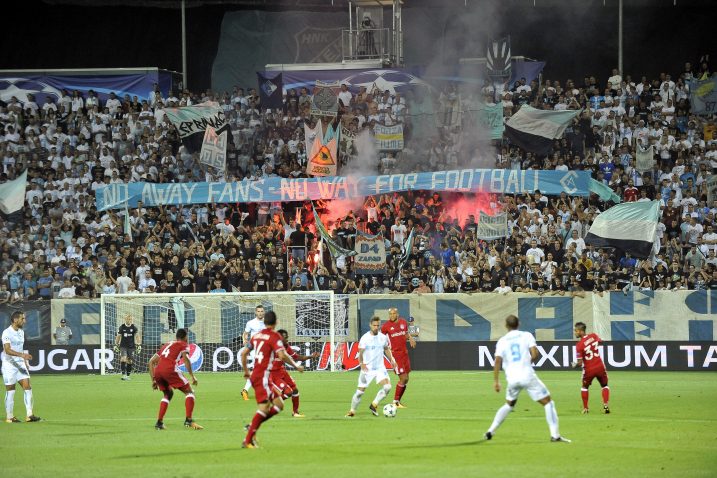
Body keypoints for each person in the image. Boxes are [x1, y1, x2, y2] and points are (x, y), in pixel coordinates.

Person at [484, 314, 570, 443]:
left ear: (506, 326)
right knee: (548, 402)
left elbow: (497, 361)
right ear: (519, 324)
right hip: (527, 375)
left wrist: (496, 381)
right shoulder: (526, 335)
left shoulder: (502, 341)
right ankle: (555, 435)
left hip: (512, 378)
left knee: (509, 405)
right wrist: (527, 362)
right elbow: (535, 353)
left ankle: (491, 430)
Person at [240, 311, 304, 448]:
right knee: (264, 408)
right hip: (263, 376)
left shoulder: (256, 336)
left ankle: (252, 428)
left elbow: (244, 353)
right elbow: (282, 355)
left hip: (260, 375)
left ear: (265, 322)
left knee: (279, 405)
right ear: (275, 323)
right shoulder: (274, 336)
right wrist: (296, 365)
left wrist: (246, 371)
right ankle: (248, 439)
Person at [148, 328, 203, 430]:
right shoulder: (183, 344)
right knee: (190, 392)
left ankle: (159, 423)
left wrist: (154, 380)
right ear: (185, 337)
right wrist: (192, 376)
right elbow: (186, 359)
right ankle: (189, 420)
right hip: (170, 369)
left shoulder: (166, 344)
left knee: (168, 394)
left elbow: (151, 362)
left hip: (158, 371)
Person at [346, 316, 397, 417]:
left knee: (387, 387)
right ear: (370, 325)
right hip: (367, 369)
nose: (376, 327)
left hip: (380, 368)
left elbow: (386, 348)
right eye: (374, 325)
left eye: (378, 325)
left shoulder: (383, 337)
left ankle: (374, 404)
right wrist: (362, 363)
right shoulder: (365, 338)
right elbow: (360, 353)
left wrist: (392, 359)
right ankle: (352, 411)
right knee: (360, 392)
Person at [2, 311, 41, 423]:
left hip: (20, 364)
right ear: (15, 320)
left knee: (28, 387)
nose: (24, 321)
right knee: (11, 390)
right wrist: (22, 355)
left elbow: (20, 348)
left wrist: (24, 361)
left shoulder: (21, 332)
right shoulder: (6, 332)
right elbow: (8, 350)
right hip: (9, 365)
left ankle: (29, 415)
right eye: (22, 319)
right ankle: (9, 417)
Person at [270, 329, 319, 417]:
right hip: (273, 373)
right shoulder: (272, 347)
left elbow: (296, 357)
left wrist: (310, 356)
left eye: (287, 337)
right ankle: (273, 403)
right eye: (285, 337)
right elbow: (284, 358)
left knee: (295, 390)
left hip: (282, 371)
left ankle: (295, 412)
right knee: (288, 392)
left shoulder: (286, 347)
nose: (287, 339)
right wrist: (296, 366)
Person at [381, 307, 416, 408]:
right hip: (395, 355)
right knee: (403, 378)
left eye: (394, 313)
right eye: (390, 314)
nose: (392, 315)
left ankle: (397, 401)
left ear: (397, 314)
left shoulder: (403, 322)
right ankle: (395, 402)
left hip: (404, 353)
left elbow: (405, 333)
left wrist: (411, 338)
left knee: (406, 378)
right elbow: (380, 338)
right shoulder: (386, 327)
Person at [572, 321, 610, 414]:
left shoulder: (579, 345)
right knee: (604, 386)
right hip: (600, 366)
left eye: (576, 331)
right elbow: (600, 341)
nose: (575, 333)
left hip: (589, 369)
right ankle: (606, 405)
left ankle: (585, 408)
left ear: (581, 331)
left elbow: (580, 363)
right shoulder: (593, 335)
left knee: (584, 387)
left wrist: (574, 365)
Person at [240, 305, 266, 400]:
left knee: (261, 371)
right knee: (258, 370)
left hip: (265, 350)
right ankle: (245, 390)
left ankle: (247, 390)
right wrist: (244, 340)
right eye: (258, 311)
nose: (260, 313)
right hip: (255, 350)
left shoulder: (267, 323)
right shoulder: (251, 323)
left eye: (261, 311)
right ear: (255, 312)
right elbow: (245, 333)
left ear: (264, 312)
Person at [114, 314, 141, 381]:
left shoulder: (134, 327)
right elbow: (118, 336)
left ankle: (128, 375)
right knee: (123, 359)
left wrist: (139, 344)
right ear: (125, 319)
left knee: (130, 361)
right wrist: (116, 344)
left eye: (130, 319)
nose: (129, 320)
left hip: (131, 347)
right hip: (123, 346)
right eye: (128, 319)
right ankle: (123, 375)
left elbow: (137, 336)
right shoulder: (122, 327)